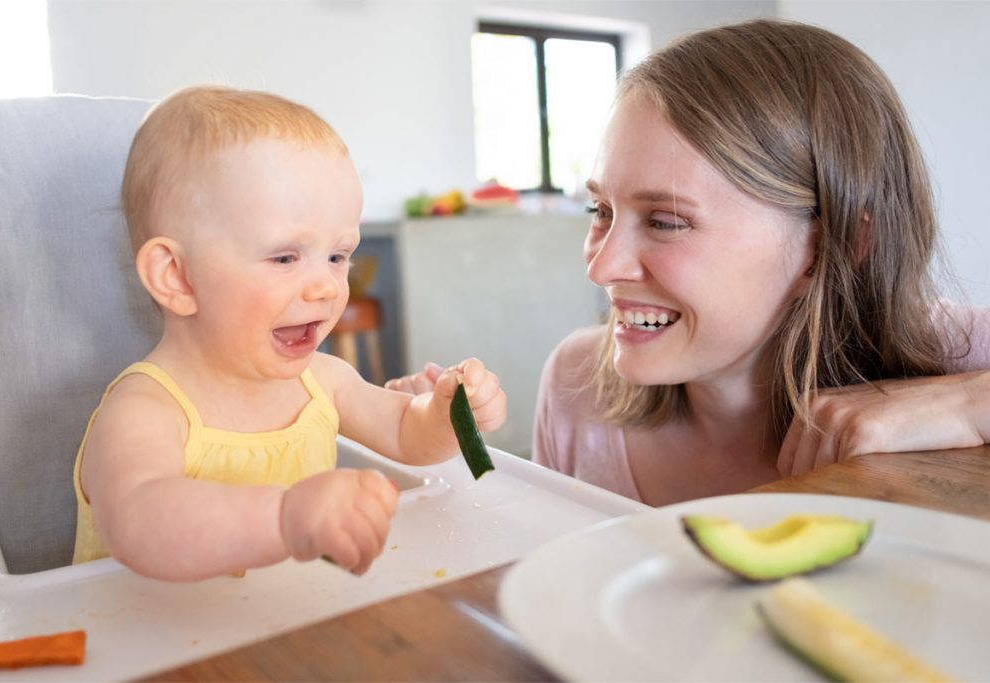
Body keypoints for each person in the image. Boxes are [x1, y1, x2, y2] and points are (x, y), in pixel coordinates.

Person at [388, 19, 990, 507]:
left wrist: (967, 404)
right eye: (601, 210)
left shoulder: (959, 360)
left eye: (666, 222)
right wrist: (444, 482)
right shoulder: (578, 388)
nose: (602, 268)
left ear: (830, 248)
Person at [73, 86, 507, 581]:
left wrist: (448, 413)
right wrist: (284, 519)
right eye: (284, 257)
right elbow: (139, 524)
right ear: (176, 275)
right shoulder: (145, 409)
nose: (326, 286)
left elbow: (407, 435)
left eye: (338, 256)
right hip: (149, 646)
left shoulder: (323, 381)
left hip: (285, 627)